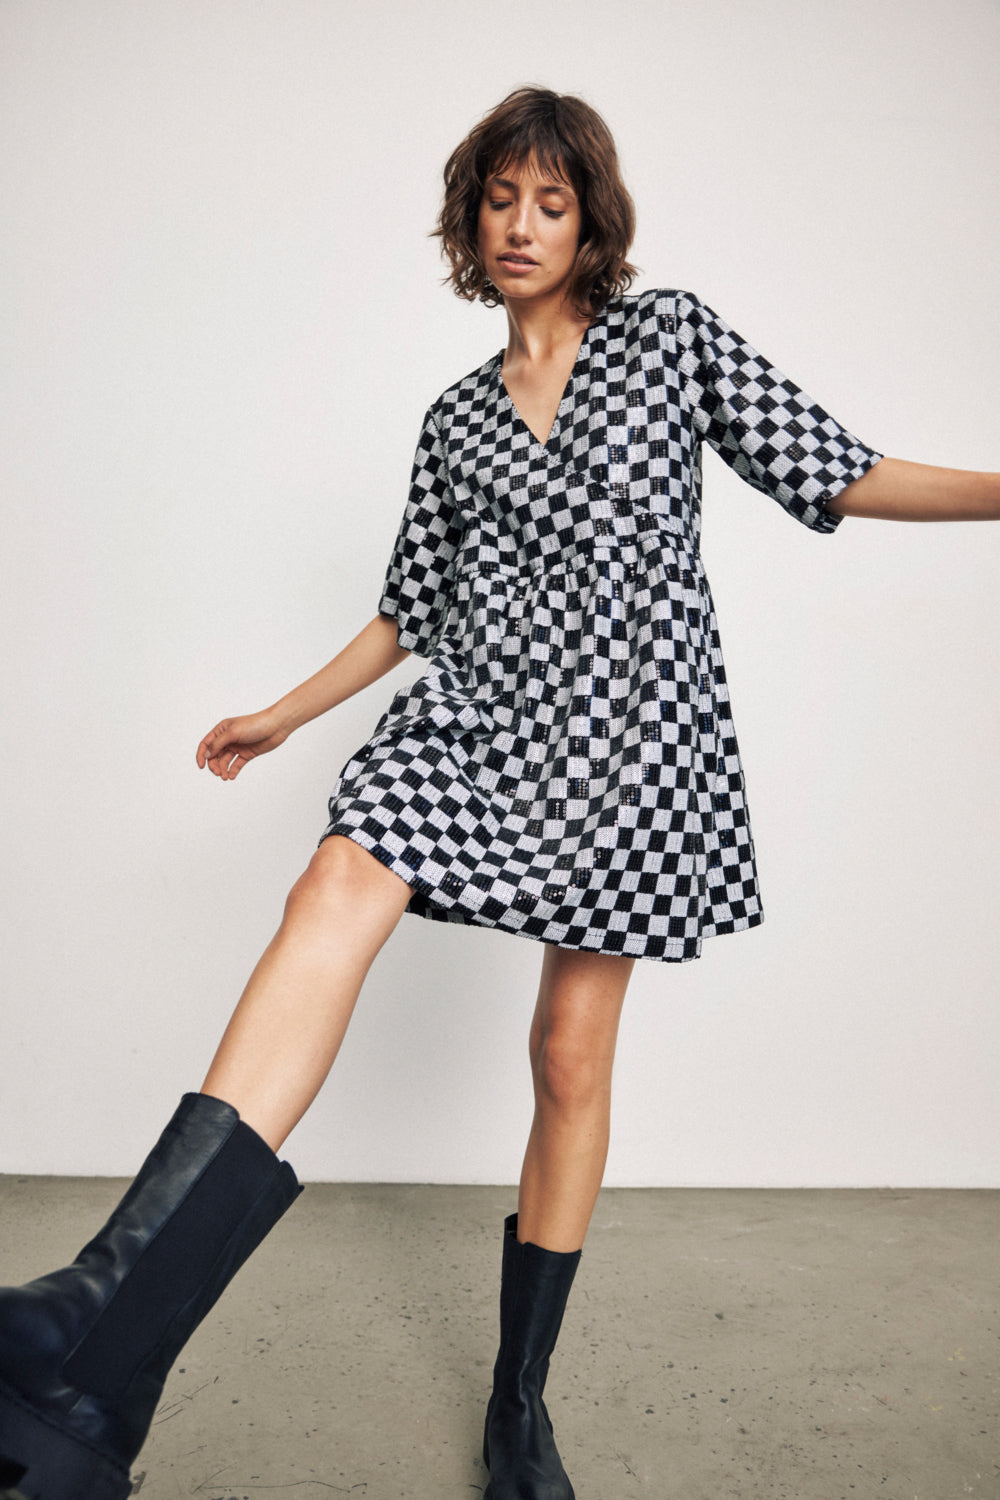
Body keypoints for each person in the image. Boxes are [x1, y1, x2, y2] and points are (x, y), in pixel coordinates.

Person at [0, 85, 997, 1500]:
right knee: (335, 878)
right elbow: (410, 611)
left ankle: (518, 1401)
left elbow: (842, 471)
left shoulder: (669, 339)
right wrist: (284, 715)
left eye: (552, 201)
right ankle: (104, 1304)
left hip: (634, 745)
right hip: (476, 724)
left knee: (568, 1057)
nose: (523, 224)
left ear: (592, 223)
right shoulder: (457, 418)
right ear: (470, 220)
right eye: (500, 199)